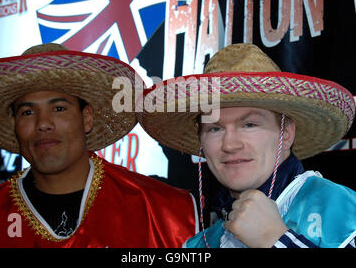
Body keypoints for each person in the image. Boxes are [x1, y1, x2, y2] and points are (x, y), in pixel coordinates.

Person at [0, 43, 198, 247]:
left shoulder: (162, 210)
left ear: (87, 119)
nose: (43, 124)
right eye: (27, 112)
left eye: (59, 109)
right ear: (14, 125)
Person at [137, 43, 356, 248]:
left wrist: (276, 240)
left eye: (249, 124)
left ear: (286, 133)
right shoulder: (198, 245)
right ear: (200, 139)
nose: (230, 145)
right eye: (215, 129)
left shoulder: (345, 210)